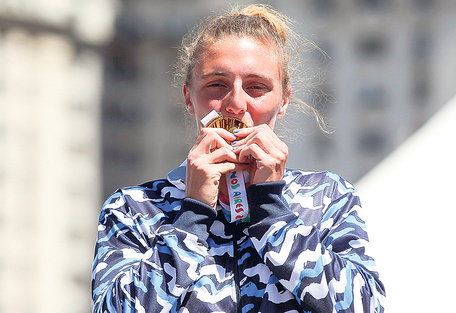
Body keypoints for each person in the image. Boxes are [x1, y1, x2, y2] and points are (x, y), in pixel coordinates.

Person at [91, 4, 386, 313]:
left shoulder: (326, 197)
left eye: (256, 87)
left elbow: (364, 307)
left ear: (283, 101)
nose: (235, 104)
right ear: (189, 97)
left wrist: (271, 208)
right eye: (216, 85)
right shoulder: (135, 207)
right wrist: (194, 212)